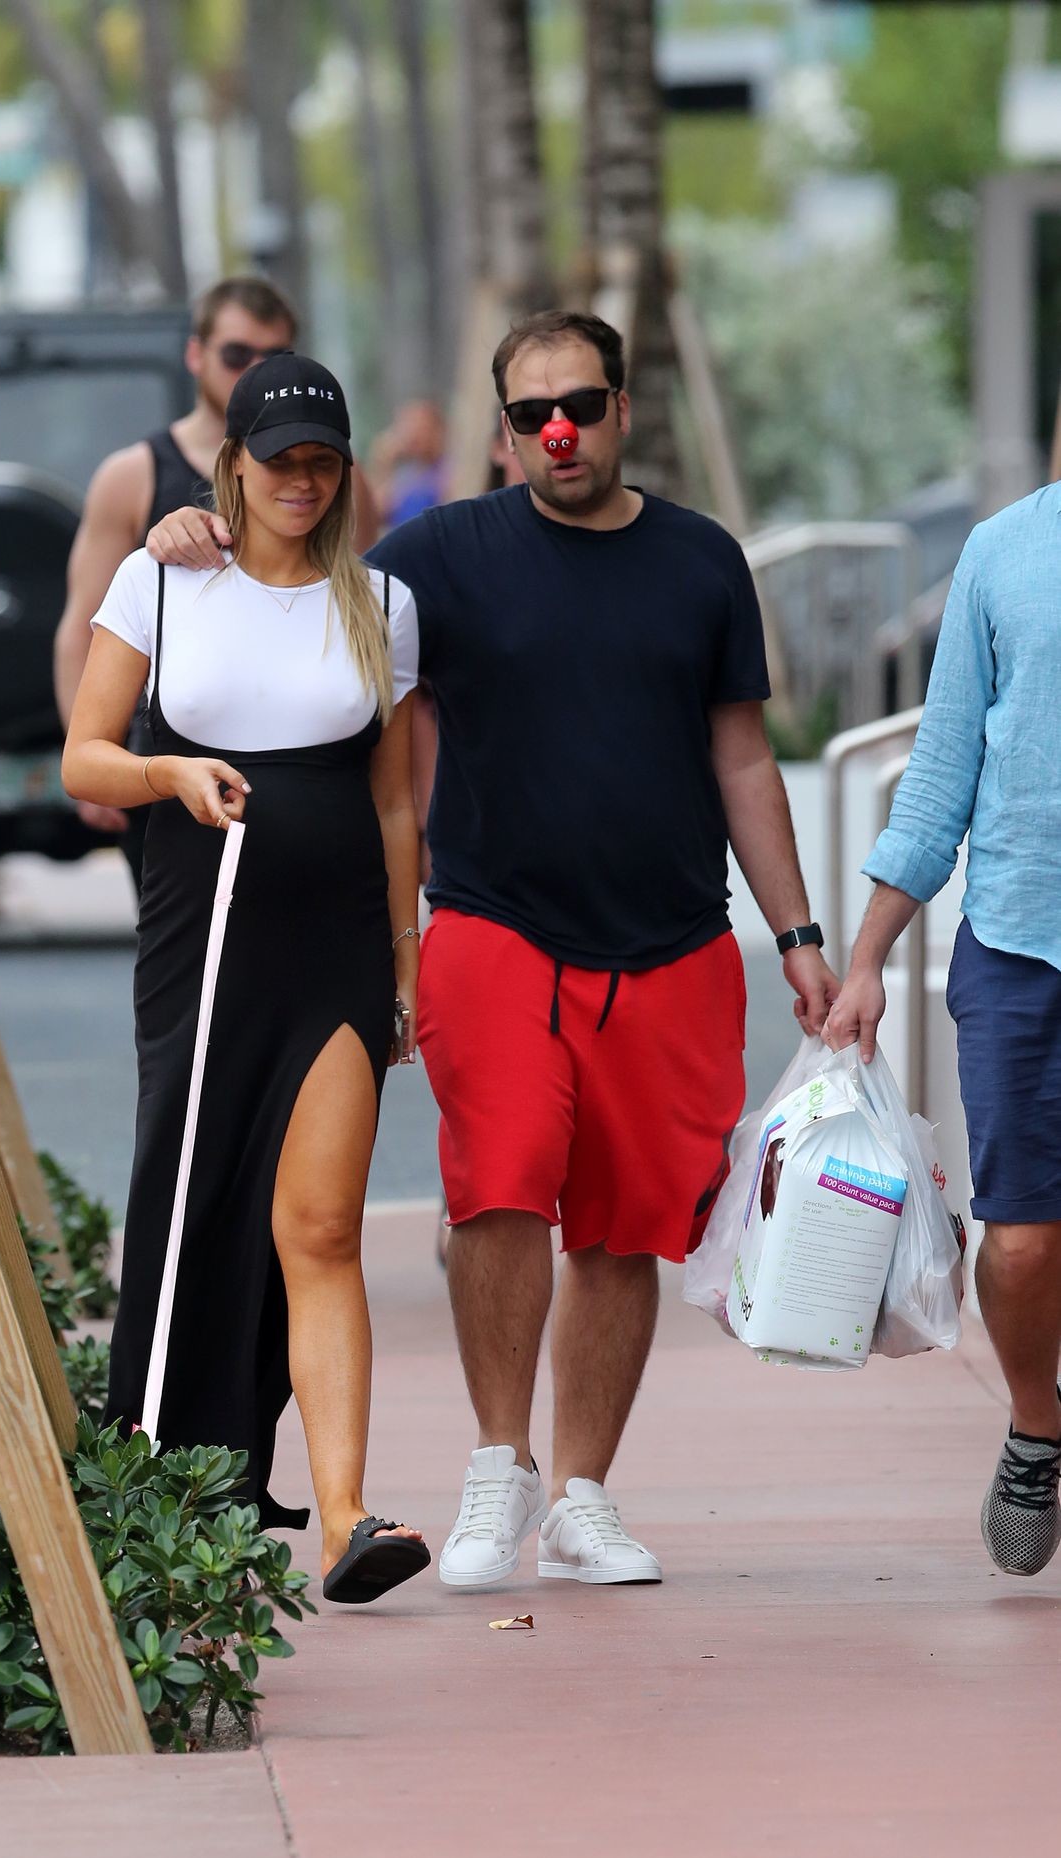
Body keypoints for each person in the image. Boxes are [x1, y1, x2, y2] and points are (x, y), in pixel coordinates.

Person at [146, 309, 838, 1591]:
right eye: (530, 413)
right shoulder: (438, 560)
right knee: (501, 1191)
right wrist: (192, 531)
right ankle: (496, 1466)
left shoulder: (702, 561)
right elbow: (299, 567)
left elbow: (742, 757)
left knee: (622, 1230)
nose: (557, 430)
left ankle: (580, 1497)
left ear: (623, 407)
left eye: (580, 404)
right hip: (494, 928)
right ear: (505, 429)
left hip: (673, 943)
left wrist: (796, 935)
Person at [62, 352, 429, 1605]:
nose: (303, 482)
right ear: (233, 464)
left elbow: (395, 804)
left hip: (338, 947)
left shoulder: (383, 602)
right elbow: (85, 758)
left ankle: (346, 1522)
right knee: (188, 1203)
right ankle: (160, 1493)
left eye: (324, 462)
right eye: (281, 461)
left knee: (321, 1227)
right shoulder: (162, 582)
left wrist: (406, 960)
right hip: (204, 936)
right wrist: (167, 773)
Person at [824, 480, 1061, 1578]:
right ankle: (1036, 1426)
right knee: (1022, 1243)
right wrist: (867, 958)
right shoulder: (1003, 552)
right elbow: (941, 770)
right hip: (1019, 943)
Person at [54, 277, 379, 895]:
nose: (254, 369)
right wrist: (98, 755)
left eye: (274, 356)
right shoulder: (134, 475)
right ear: (195, 354)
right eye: (236, 354)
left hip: (313, 772)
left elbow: (361, 605)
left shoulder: (342, 485)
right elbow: (83, 626)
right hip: (168, 759)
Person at [368, 398, 447, 528]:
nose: (412, 434)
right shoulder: (407, 476)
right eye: (407, 427)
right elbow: (373, 513)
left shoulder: (447, 471)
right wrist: (383, 460)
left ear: (438, 429)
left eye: (420, 427)